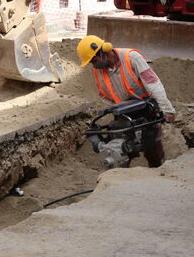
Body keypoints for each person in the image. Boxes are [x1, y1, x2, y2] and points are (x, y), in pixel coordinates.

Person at [76, 35, 177, 168]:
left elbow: (153, 84)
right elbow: (102, 94)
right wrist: (116, 108)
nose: (93, 65)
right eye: (91, 63)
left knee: (153, 149)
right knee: (119, 150)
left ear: (103, 50)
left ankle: (159, 170)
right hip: (124, 112)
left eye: (94, 60)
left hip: (145, 108)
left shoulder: (132, 58)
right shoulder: (99, 71)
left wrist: (167, 109)